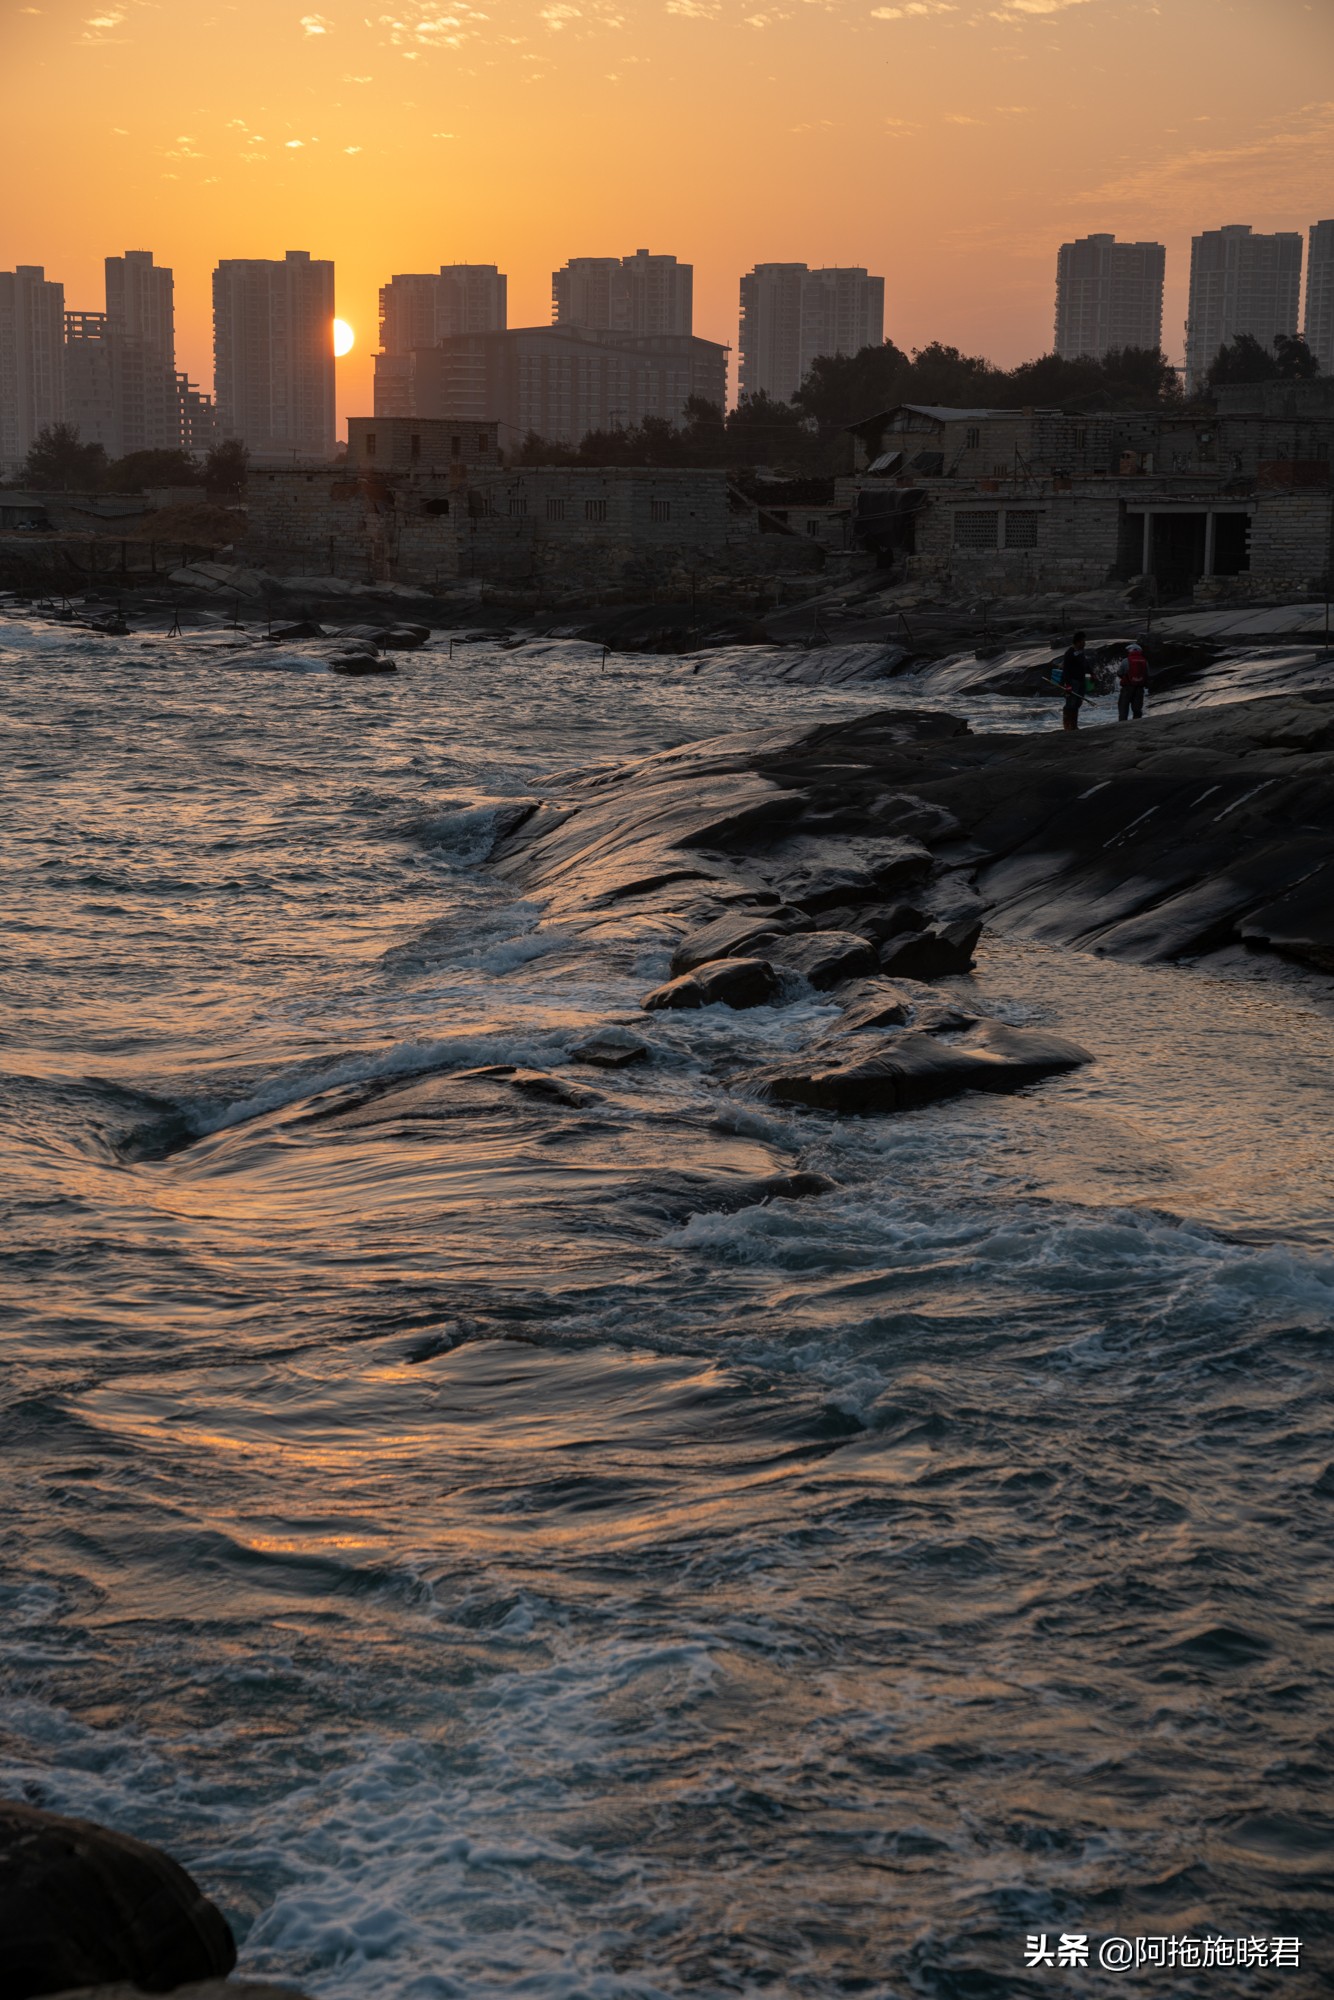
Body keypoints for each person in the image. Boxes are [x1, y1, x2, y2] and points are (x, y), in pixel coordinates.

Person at [1058, 631, 1090, 731]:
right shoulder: (1069, 653)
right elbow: (1066, 670)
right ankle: (1068, 726)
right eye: (1083, 641)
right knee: (1070, 704)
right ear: (1077, 642)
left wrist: (1092, 674)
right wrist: (1067, 684)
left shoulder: (1081, 652)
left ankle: (1074, 726)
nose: (1084, 643)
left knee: (1078, 703)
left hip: (1081, 681)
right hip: (1072, 681)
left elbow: (1085, 665)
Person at [1118, 640, 1150, 721]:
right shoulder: (1144, 661)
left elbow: (1120, 672)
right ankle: (1137, 722)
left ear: (1130, 650)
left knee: (1123, 707)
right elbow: (1147, 674)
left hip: (1127, 687)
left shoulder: (1126, 660)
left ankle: (1122, 724)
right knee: (1137, 709)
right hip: (1139, 688)